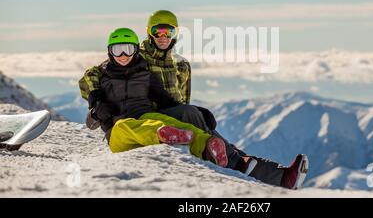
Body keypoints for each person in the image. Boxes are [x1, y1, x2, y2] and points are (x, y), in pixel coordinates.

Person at [79, 11, 308, 189]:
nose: (162, 37)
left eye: (167, 32)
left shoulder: (177, 65)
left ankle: (273, 174)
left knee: (194, 117)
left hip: (161, 114)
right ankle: (238, 163)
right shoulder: (136, 57)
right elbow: (92, 78)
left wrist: (197, 112)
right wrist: (96, 102)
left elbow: (175, 99)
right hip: (138, 120)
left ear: (175, 33)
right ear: (148, 32)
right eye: (158, 31)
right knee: (145, 125)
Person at [86, 27, 229, 167]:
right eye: (117, 50)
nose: (123, 55)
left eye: (128, 49)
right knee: (124, 126)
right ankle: (162, 134)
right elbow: (90, 121)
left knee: (165, 120)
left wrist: (196, 111)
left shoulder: (146, 76)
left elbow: (166, 102)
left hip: (146, 116)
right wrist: (97, 112)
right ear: (110, 52)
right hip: (118, 133)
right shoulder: (103, 79)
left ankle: (207, 146)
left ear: (136, 50)